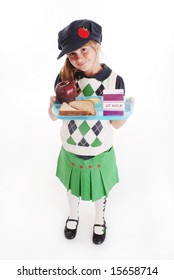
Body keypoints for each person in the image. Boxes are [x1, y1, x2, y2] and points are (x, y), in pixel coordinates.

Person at [48, 19, 134, 245]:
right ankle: (73, 215)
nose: (79, 58)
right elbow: (56, 115)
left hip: (99, 153)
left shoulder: (114, 81)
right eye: (72, 54)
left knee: (99, 191)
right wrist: (51, 107)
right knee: (71, 188)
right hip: (71, 149)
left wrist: (127, 110)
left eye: (83, 49)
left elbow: (115, 124)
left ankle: (99, 219)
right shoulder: (65, 79)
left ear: (96, 45)